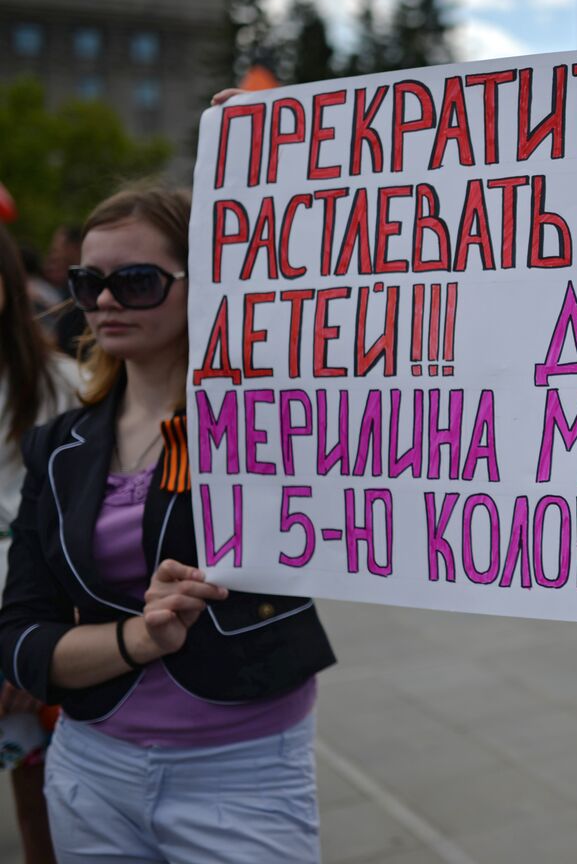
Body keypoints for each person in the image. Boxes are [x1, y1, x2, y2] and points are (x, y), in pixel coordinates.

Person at [0, 185, 336, 863]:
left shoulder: (274, 424)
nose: (105, 301)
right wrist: (139, 638)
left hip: (242, 773)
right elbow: (22, 641)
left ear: (204, 282)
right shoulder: (58, 446)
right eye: (89, 282)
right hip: (91, 768)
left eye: (136, 281)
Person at [1, 220, 77, 864]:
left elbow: (80, 529)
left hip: (29, 625)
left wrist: (35, 647)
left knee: (44, 811)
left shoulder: (66, 386)